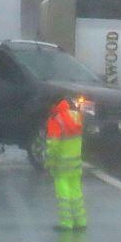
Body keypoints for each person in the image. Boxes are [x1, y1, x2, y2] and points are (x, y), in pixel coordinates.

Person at [45, 98, 87, 231]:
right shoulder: (75, 115)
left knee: (63, 195)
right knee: (76, 193)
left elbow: (53, 145)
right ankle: (80, 221)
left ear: (53, 105)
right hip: (75, 162)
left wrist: (50, 163)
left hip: (61, 164)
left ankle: (66, 223)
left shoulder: (55, 120)